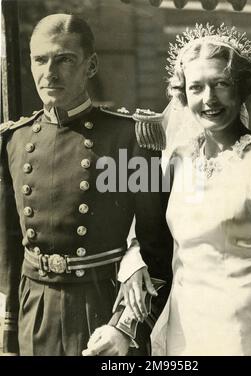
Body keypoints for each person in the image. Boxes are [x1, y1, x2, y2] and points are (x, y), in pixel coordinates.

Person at [101, 23, 251, 356]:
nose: (209, 99)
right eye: (196, 87)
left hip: (243, 335)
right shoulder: (177, 159)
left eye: (221, 84)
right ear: (183, 95)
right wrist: (133, 260)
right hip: (184, 333)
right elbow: (151, 231)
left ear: (241, 89)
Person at [0, 13, 172, 356]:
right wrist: (8, 332)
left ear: (91, 66)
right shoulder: (13, 141)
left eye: (65, 59)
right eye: (40, 60)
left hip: (103, 308)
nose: (50, 72)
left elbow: (158, 248)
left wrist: (125, 328)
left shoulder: (128, 139)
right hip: (35, 312)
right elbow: (9, 250)